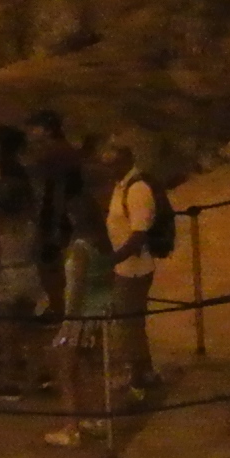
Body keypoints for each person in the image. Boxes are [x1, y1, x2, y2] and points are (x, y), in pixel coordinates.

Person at [43, 165, 120, 458]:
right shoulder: (103, 243)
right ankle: (98, 417)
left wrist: (66, 327)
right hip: (100, 314)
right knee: (91, 369)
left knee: (66, 370)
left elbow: (74, 290)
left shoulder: (79, 249)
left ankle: (71, 428)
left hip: (79, 319)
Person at [101, 139, 170, 406]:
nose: (109, 169)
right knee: (133, 325)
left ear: (125, 161)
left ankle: (138, 380)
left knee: (128, 327)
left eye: (112, 163)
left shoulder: (137, 189)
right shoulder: (122, 186)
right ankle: (145, 371)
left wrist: (112, 259)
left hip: (134, 268)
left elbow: (139, 234)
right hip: (126, 266)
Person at [0, 150, 46, 399]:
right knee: (31, 330)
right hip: (29, 274)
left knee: (8, 332)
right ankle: (37, 375)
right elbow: (38, 253)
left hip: (8, 277)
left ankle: (11, 382)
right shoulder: (31, 224)